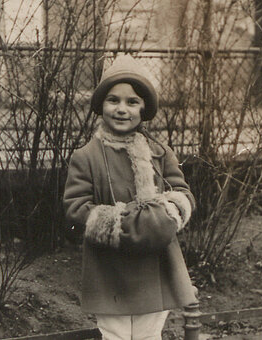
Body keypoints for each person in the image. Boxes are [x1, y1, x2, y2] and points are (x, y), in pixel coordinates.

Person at [63, 54, 197, 340]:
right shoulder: (86, 157)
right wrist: (116, 223)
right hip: (110, 269)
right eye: (113, 100)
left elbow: (183, 194)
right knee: (116, 335)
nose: (122, 109)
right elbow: (75, 207)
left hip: (156, 263)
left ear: (144, 108)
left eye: (132, 102)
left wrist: (164, 216)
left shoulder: (160, 154)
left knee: (150, 334)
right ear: (101, 106)